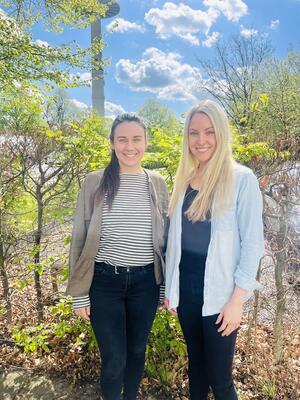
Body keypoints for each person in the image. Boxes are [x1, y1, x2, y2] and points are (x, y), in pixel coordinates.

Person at [164, 100, 264, 400]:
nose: (201, 140)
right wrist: (171, 287)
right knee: (196, 368)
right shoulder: (184, 182)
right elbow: (175, 243)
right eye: (194, 133)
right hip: (187, 295)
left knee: (220, 379)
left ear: (221, 134)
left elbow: (253, 244)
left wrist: (237, 301)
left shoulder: (241, 179)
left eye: (209, 132)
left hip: (220, 298)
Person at [66, 113, 168, 400]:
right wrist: (78, 293)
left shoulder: (157, 183)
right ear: (112, 143)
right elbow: (78, 237)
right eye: (122, 139)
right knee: (114, 360)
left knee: (137, 353)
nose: (129, 146)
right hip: (104, 283)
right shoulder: (95, 182)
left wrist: (163, 285)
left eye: (136, 139)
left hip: (146, 283)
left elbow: (164, 239)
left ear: (146, 142)